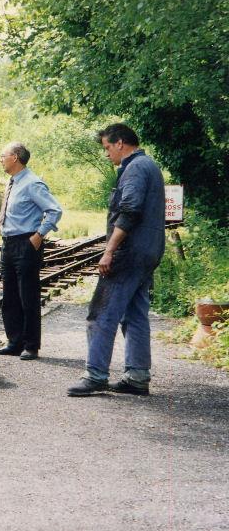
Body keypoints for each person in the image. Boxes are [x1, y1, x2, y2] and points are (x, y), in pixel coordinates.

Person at [68, 124, 165, 397]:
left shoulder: (134, 169)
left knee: (101, 313)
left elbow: (130, 211)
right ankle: (137, 376)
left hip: (129, 253)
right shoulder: (150, 166)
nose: (106, 154)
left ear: (120, 143)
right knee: (134, 314)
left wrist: (109, 250)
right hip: (148, 252)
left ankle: (96, 375)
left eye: (107, 148)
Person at [0, 142, 63, 360]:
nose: (0, 159)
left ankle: (31, 345)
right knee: (10, 296)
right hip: (8, 244)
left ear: (15, 157)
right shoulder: (13, 182)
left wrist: (38, 236)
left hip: (26, 243)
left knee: (28, 296)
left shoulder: (32, 183)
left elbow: (54, 210)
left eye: (3, 155)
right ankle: (14, 341)